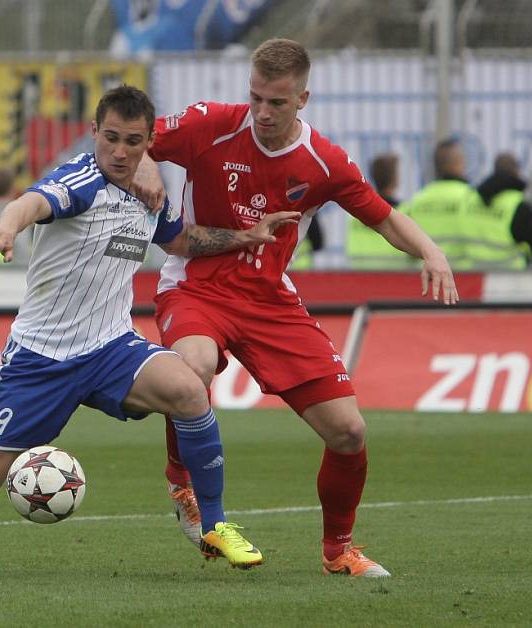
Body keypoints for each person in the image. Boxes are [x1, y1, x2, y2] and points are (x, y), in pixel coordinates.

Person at [0, 85, 301, 577]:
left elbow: (179, 239)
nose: (120, 151)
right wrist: (8, 227)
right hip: (40, 360)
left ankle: (215, 525)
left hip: (111, 348)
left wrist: (247, 235)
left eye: (133, 141)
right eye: (110, 137)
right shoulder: (80, 181)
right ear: (93, 132)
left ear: (149, 142)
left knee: (189, 391)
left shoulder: (150, 195)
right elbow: (30, 203)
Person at [135, 38, 459, 578]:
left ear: (302, 98)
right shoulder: (210, 124)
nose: (262, 112)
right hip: (196, 287)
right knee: (191, 367)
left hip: (269, 301)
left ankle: (338, 550)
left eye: (277, 103)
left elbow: (382, 217)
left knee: (349, 432)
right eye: (256, 97)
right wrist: (146, 162)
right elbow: (131, 140)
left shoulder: (323, 162)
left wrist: (430, 250)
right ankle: (181, 481)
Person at [404, 138, 481, 270]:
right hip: (460, 276)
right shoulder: (471, 198)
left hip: (424, 277)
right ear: (458, 163)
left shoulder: (418, 199)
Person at [471, 152, 532, 268]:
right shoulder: (519, 206)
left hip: (474, 273)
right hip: (511, 277)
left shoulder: (473, 200)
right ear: (516, 171)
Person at [346, 152, 411, 268]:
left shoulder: (355, 213)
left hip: (361, 275)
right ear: (395, 178)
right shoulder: (404, 212)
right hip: (395, 276)